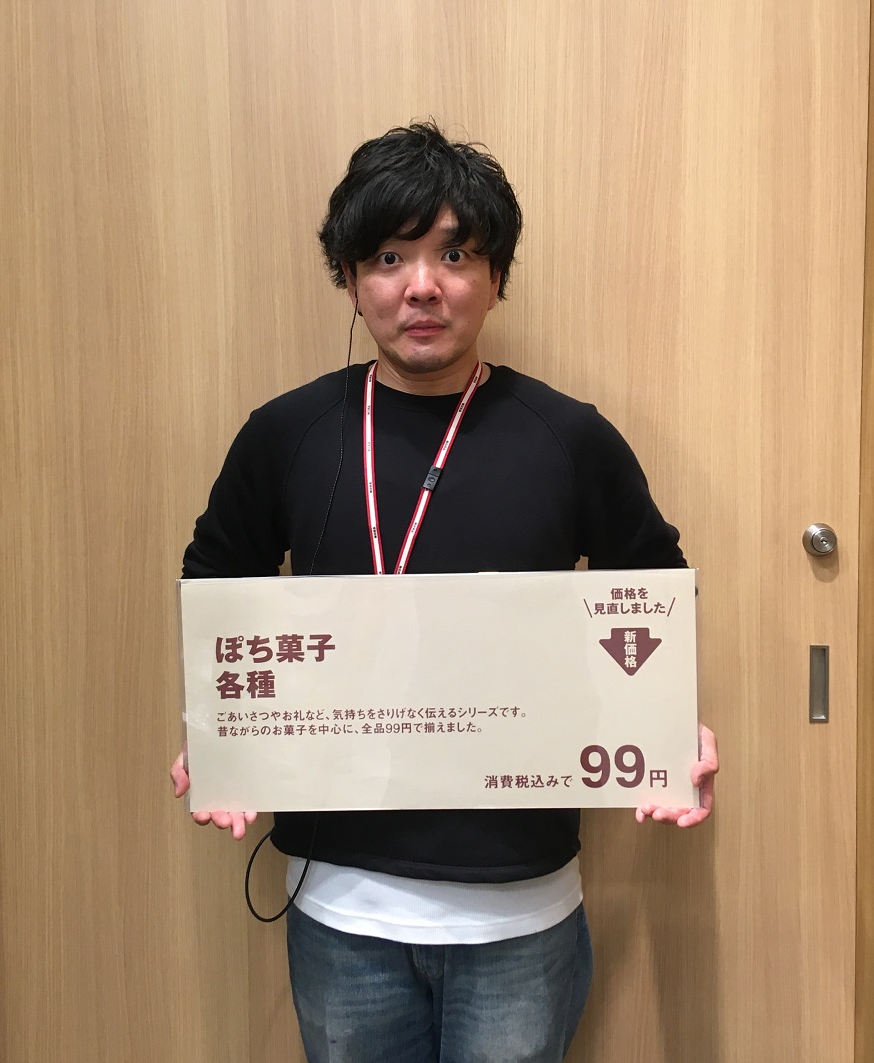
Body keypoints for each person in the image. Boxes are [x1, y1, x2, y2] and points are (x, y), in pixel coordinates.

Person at [170, 121, 718, 1063]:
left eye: (455, 254)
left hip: (520, 911)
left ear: (496, 278)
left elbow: (652, 587)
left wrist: (667, 727)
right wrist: (220, 731)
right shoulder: (287, 435)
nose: (421, 285)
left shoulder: (569, 438)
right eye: (389, 256)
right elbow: (218, 577)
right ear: (351, 279)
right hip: (340, 907)